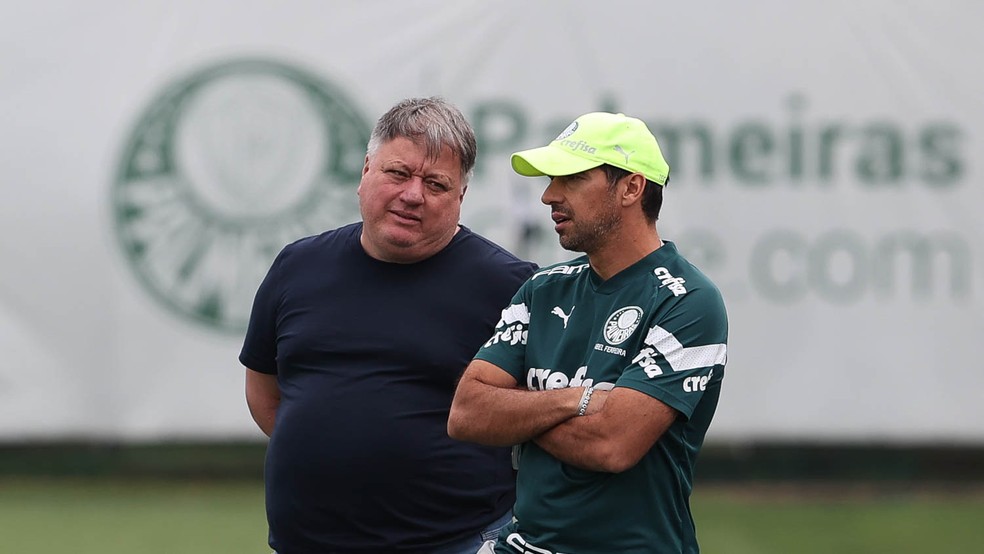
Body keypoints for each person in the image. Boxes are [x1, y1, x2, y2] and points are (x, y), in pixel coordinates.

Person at [240, 96, 537, 554]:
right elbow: (264, 388)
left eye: (436, 184)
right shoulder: (298, 265)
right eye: (397, 174)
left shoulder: (510, 285)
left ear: (461, 196)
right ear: (365, 171)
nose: (412, 194)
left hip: (456, 541)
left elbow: (536, 412)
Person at [448, 112, 729, 554]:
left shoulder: (688, 301)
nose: (548, 195)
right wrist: (576, 400)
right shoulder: (542, 289)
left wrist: (515, 411)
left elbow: (610, 445)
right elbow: (466, 414)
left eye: (571, 179)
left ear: (631, 188)